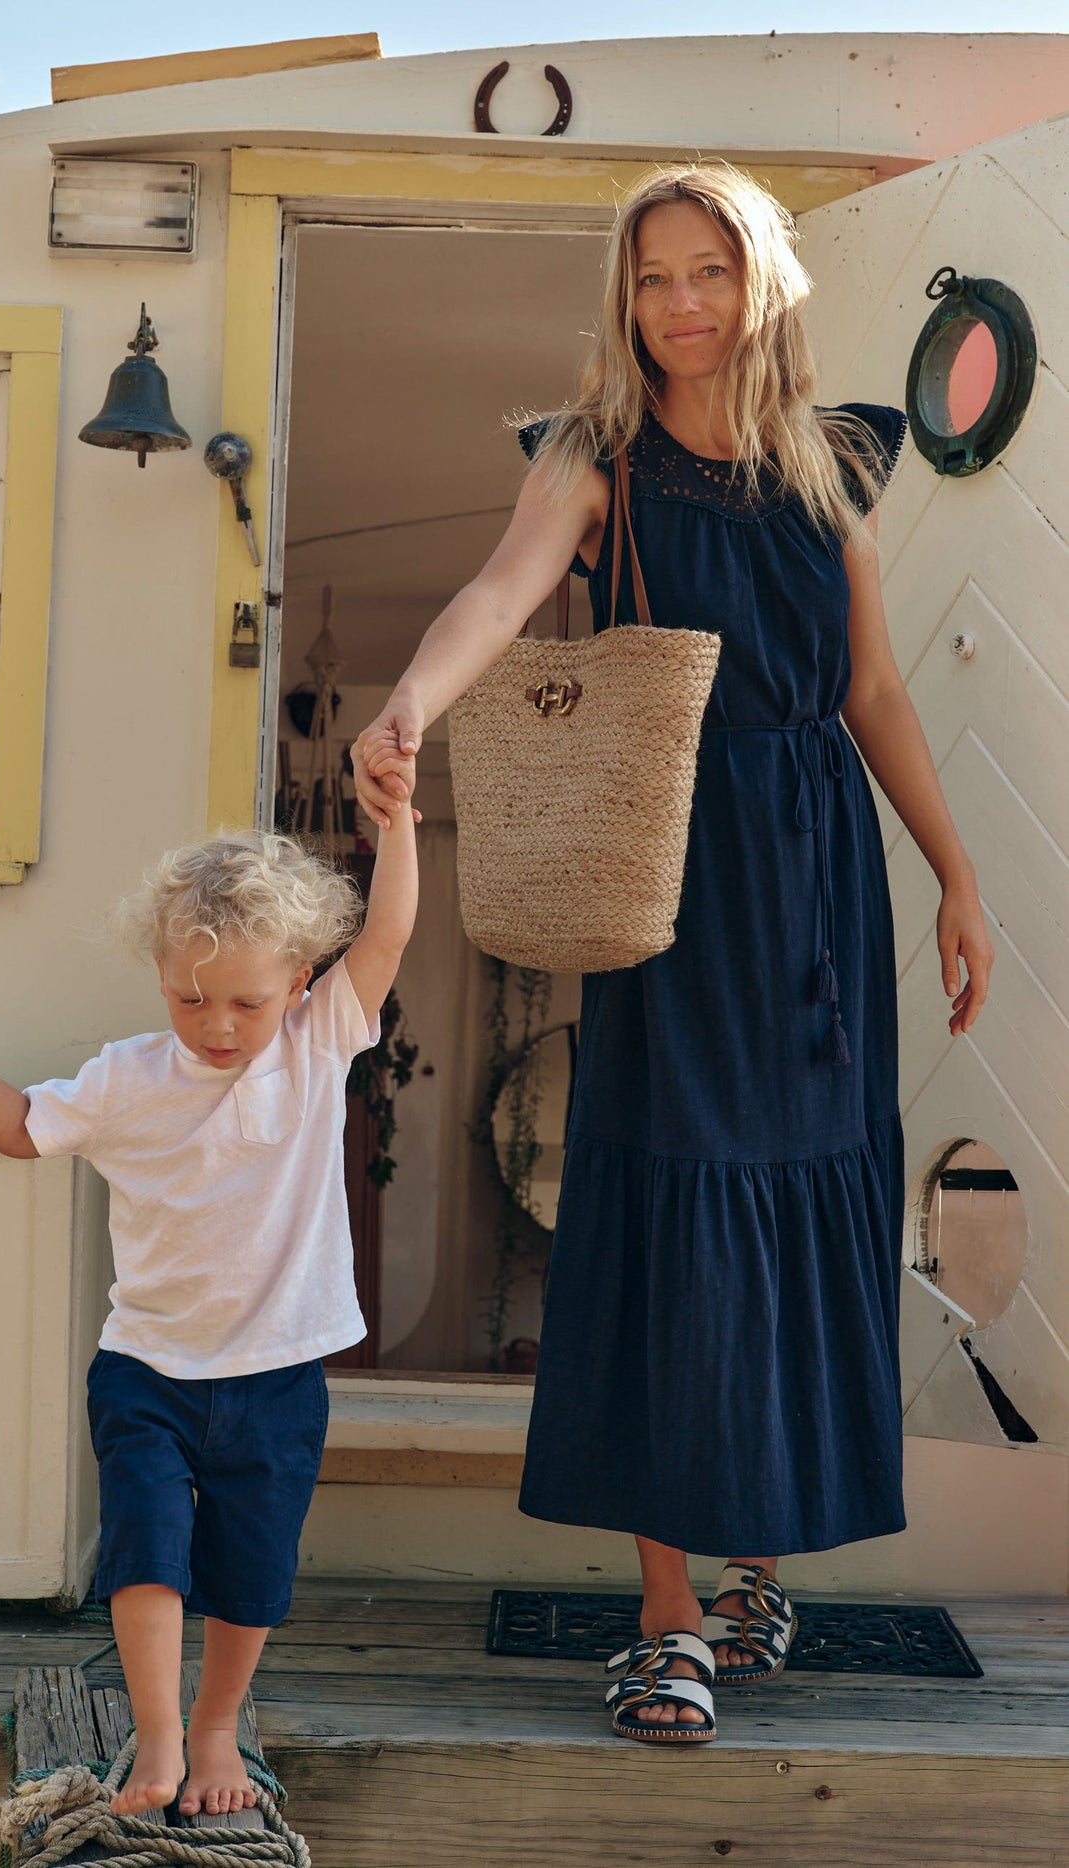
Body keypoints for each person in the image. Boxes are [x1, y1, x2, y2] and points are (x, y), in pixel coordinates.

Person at [350, 163, 993, 1745]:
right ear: (624, 299)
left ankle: (755, 1563)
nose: (681, 303)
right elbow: (499, 593)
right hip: (669, 873)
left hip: (818, 883)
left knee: (802, 1194)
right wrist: (410, 701)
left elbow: (873, 692)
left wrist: (956, 877)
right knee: (671, 1199)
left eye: (708, 270)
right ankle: (665, 1611)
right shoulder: (598, 458)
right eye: (653, 278)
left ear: (758, 282)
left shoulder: (832, 460)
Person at [0, 821, 418, 1808]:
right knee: (145, 1550)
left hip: (274, 1374)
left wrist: (396, 822)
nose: (217, 1024)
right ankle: (157, 1740)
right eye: (190, 997)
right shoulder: (126, 1078)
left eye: (245, 1002)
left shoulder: (316, 1047)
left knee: (250, 1565)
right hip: (146, 1368)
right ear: (160, 975)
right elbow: (21, 1128)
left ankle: (215, 1727)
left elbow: (388, 932)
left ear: (300, 981)